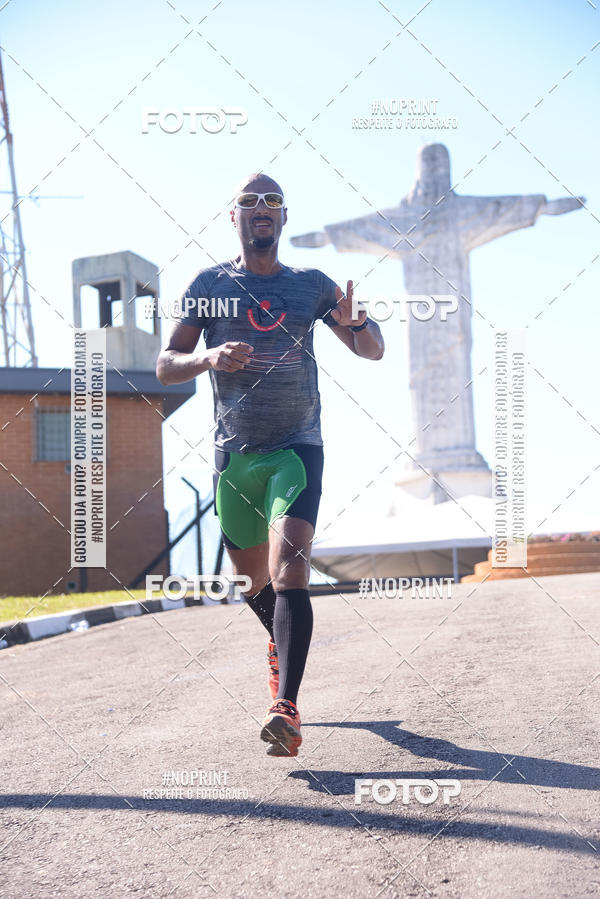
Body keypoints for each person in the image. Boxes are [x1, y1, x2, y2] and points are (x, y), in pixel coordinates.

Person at [156, 173, 385, 757]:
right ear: (233, 216)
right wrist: (208, 356)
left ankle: (285, 707)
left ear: (284, 219)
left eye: (273, 202)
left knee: (290, 575)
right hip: (235, 457)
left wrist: (356, 322)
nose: (263, 209)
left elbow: (371, 350)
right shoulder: (209, 285)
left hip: (297, 448)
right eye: (250, 201)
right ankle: (281, 648)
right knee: (254, 582)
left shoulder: (311, 285)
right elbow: (165, 364)